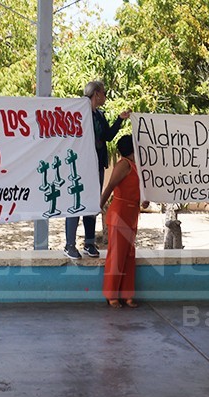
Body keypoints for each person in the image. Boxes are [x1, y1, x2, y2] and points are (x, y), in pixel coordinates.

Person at [64, 80, 130, 260]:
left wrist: (119, 120)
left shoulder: (99, 115)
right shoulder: (79, 111)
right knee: (77, 202)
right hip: (80, 165)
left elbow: (107, 136)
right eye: (104, 92)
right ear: (96, 94)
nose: (105, 96)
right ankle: (69, 244)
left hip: (97, 164)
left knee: (92, 202)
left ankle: (89, 242)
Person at [100, 135, 148, 308]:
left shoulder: (136, 166)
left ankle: (127, 295)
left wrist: (143, 201)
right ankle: (111, 295)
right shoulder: (124, 165)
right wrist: (99, 205)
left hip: (132, 214)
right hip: (119, 214)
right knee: (117, 256)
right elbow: (110, 186)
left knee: (128, 256)